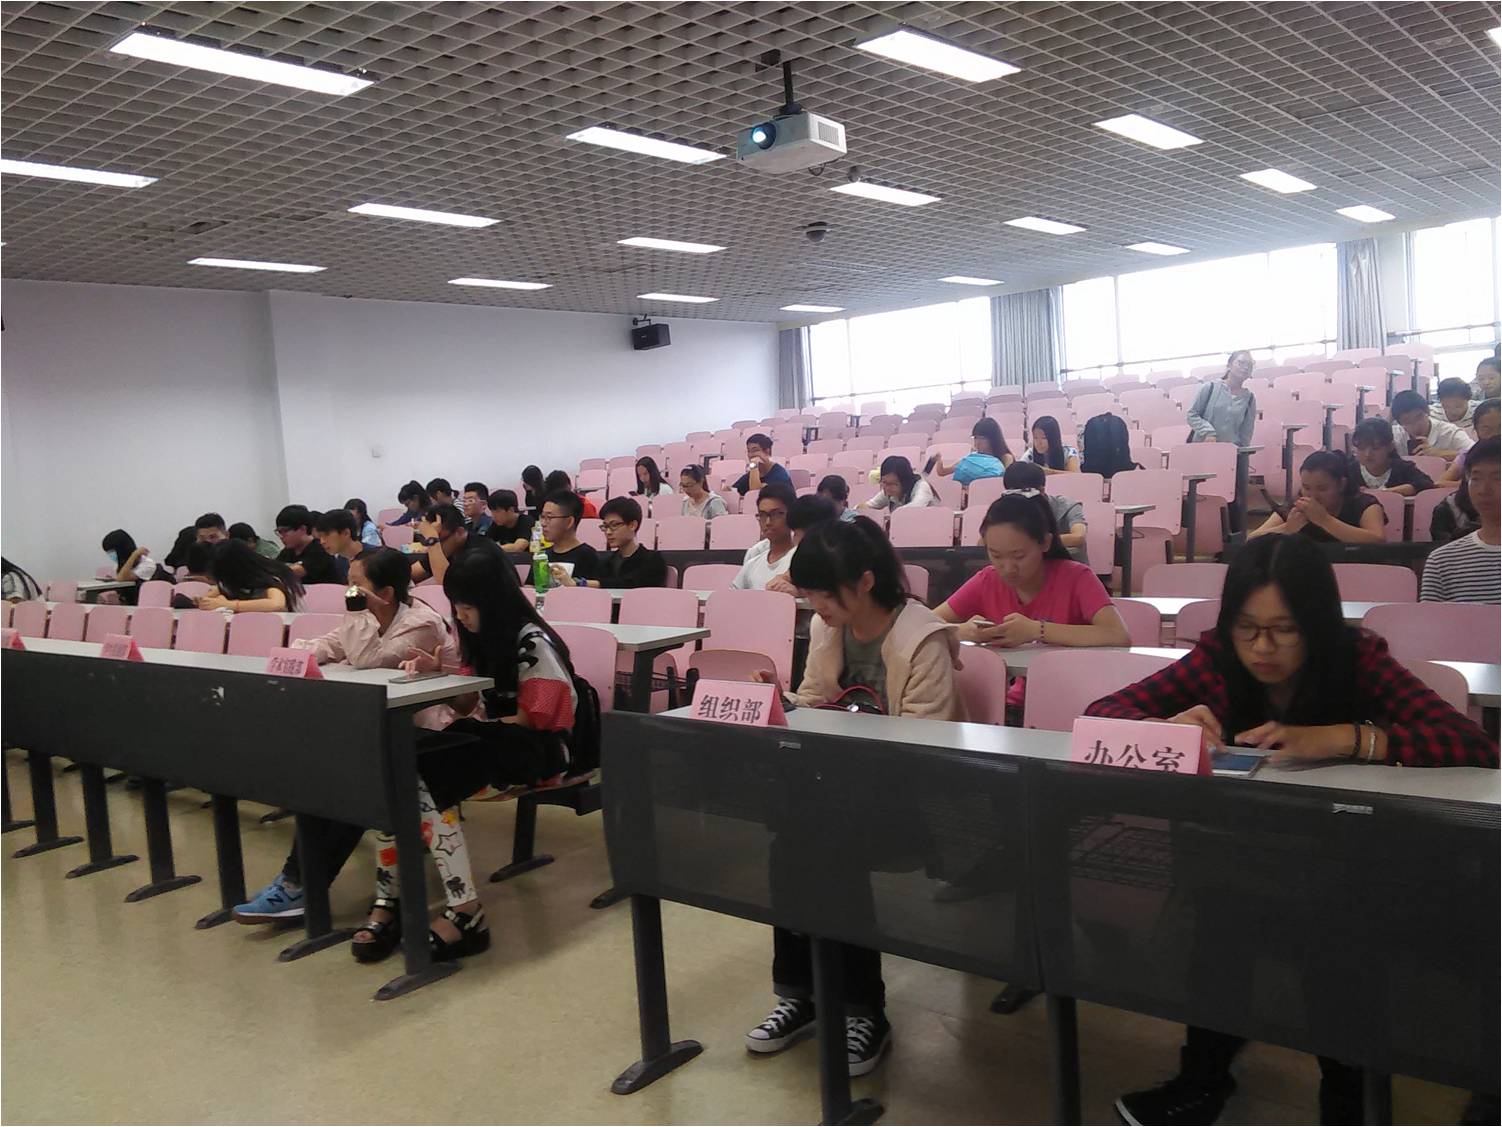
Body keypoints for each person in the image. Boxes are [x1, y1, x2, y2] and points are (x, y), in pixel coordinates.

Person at [1088, 534, 1495, 1127]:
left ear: (1317, 623)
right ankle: (1204, 1079)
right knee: (1216, 931)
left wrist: (1346, 738)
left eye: (1285, 630)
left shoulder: (1356, 658)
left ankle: (1347, 1094)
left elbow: (1473, 745)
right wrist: (1164, 726)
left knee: (1338, 961)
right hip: (1237, 851)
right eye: (1247, 628)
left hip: (1342, 860)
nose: (1262, 647)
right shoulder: (1216, 656)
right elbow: (1102, 715)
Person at [743, 516, 964, 1077]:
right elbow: (817, 702)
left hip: (915, 799)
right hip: (840, 789)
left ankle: (863, 1009)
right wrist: (784, 703)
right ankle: (803, 994)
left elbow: (925, 744)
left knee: (819, 843)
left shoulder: (922, 639)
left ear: (865, 581)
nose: (816, 606)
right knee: (793, 837)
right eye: (809, 594)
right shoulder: (829, 629)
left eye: (824, 594)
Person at [233, 547, 457, 929]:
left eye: (356, 584)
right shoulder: (368, 614)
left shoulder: (420, 622)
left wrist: (353, 616)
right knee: (327, 774)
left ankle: (301, 886)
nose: (348, 591)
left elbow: (369, 660)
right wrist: (300, 652)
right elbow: (332, 644)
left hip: (429, 731)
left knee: (352, 781)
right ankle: (296, 883)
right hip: (380, 729)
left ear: (386, 592)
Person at [391, 549, 586, 960]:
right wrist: (440, 677)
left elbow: (536, 719)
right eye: (456, 607)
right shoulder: (481, 638)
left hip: (542, 748)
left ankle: (464, 910)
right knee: (405, 757)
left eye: (467, 607)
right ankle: (403, 899)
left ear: (493, 602)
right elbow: (468, 706)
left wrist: (479, 719)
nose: (460, 617)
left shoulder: (532, 642)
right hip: (503, 739)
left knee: (426, 768)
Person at [935, 492, 1127, 647]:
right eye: (996, 556)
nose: (1008, 568)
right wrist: (962, 631)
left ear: (1045, 543)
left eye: (1019, 556)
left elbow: (1118, 634)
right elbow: (925, 622)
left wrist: (1038, 630)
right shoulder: (987, 580)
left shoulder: (1077, 577)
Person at [1421, 437, 1499, 604]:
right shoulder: (1442, 561)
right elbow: (1431, 619)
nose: (1484, 489)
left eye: (1498, 478)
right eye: (1476, 479)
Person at [1248, 451, 1385, 544]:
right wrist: (1286, 529)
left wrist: (1324, 520)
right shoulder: (1298, 507)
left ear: (1341, 485)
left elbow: (1378, 539)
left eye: (1322, 489)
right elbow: (1251, 539)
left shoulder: (1363, 503)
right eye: (1306, 488)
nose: (1313, 496)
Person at [552, 496, 666, 589]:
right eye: (605, 526)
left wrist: (581, 583)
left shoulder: (652, 559)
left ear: (632, 525)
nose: (608, 532)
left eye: (614, 525)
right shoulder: (606, 562)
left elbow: (630, 584)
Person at [1002, 462, 1087, 561]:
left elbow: (1078, 537)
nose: (1019, 501)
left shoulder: (1066, 506)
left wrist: (1027, 542)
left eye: (1025, 494)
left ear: (1041, 491)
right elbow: (987, 541)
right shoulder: (1004, 509)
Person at [413, 501, 507, 586]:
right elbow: (411, 574)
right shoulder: (445, 548)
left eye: (439, 540)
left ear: (460, 532)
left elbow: (448, 585)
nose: (437, 547)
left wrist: (433, 540)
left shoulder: (480, 552)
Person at [200, 539, 303, 613]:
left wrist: (229, 605)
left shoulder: (270, 578)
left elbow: (276, 604)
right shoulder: (239, 582)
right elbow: (220, 591)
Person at [767, 494, 841, 595]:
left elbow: (834, 595)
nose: (794, 539)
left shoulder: (841, 556)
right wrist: (780, 580)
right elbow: (790, 576)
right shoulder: (803, 556)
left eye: (797, 534)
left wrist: (800, 593)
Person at [733, 483, 798, 590]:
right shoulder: (753, 562)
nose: (768, 522)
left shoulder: (803, 558)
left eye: (776, 514)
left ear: (792, 514)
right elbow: (733, 595)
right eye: (762, 515)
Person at [1187, 349, 1257, 446]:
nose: (1245, 367)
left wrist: (1243, 450)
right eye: (1241, 363)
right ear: (1229, 365)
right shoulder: (1210, 387)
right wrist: (1207, 431)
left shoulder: (1249, 398)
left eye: (1249, 365)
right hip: (1203, 448)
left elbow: (1246, 432)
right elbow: (1192, 414)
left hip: (1231, 451)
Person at [1349, 417, 1433, 496]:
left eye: (1375, 448)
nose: (1367, 454)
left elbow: (1425, 483)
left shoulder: (1402, 468)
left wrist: (1386, 492)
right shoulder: (1349, 470)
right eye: (1361, 448)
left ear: (1390, 447)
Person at [532, 491, 601, 583]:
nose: (543, 523)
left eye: (549, 517)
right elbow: (531, 586)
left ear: (569, 522)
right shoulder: (542, 555)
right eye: (542, 517)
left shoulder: (588, 556)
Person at [1391, 389, 1473, 464]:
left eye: (1419, 417)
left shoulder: (1449, 432)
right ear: (1399, 423)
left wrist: (1440, 454)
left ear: (1428, 411)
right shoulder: (1395, 435)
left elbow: (1475, 454)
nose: (1416, 425)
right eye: (1407, 422)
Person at [930, 417, 1013, 483]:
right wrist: (939, 461)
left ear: (993, 439)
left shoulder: (1006, 458)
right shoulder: (973, 457)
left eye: (982, 438)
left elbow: (1005, 483)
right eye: (975, 438)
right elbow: (942, 472)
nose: (977, 443)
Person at [275, 504, 341, 584]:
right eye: (279, 532)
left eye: (285, 531)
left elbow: (298, 571)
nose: (281, 536)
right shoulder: (287, 552)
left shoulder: (321, 549)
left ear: (303, 529)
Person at [1442, 398, 1500, 483]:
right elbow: (1441, 482)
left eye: (1500, 428)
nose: (1495, 435)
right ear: (1476, 430)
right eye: (1486, 429)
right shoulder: (1468, 454)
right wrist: (1472, 484)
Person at [100, 530, 166, 603]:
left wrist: (134, 555)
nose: (110, 555)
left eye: (112, 551)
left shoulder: (147, 564)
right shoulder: (119, 564)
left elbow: (122, 578)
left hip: (147, 602)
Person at [858, 455, 936, 510]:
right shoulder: (888, 490)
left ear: (905, 482)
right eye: (884, 482)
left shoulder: (922, 487)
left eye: (892, 484)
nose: (887, 488)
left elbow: (914, 509)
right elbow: (869, 505)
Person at [313, 509, 362, 582]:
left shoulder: (374, 559)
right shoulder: (340, 561)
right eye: (320, 537)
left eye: (327, 534)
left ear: (346, 533)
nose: (322, 542)